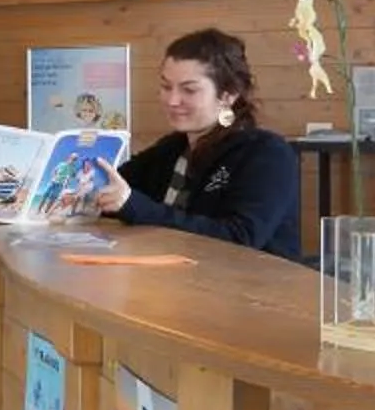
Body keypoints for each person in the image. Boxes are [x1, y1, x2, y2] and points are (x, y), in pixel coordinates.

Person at [94, 28, 302, 256]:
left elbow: (240, 237)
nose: (172, 100)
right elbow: (115, 189)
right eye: (166, 87)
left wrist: (132, 205)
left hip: (250, 288)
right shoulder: (171, 149)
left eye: (189, 90)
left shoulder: (268, 154)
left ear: (228, 95)